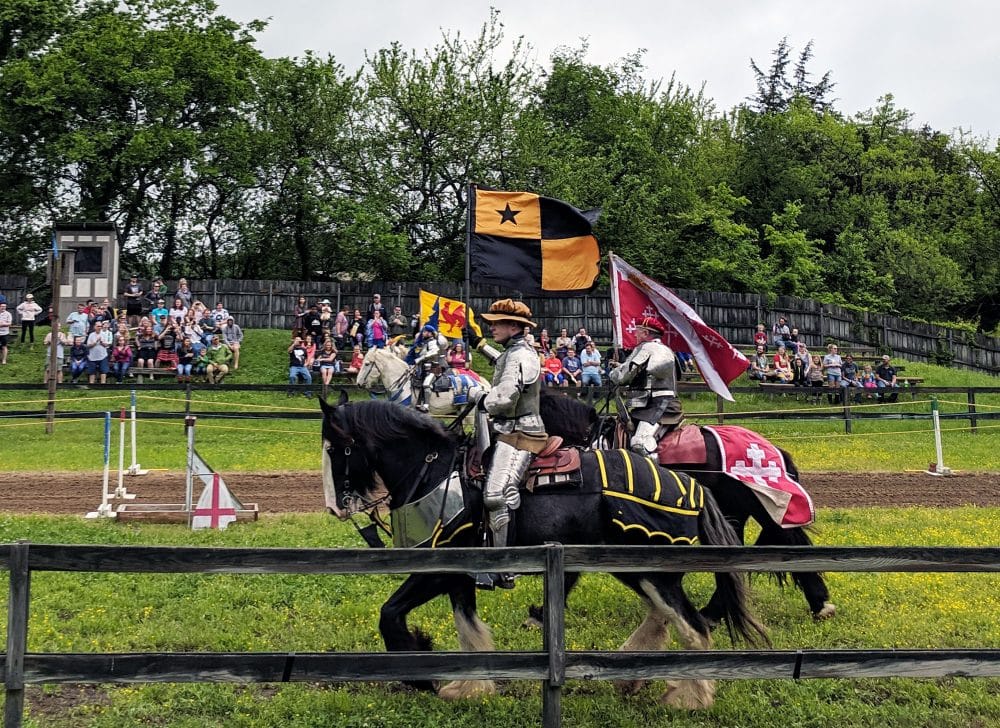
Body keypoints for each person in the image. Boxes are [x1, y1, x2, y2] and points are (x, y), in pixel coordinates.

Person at [476, 298, 547, 589]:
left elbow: (506, 397)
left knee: (496, 495)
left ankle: (503, 566)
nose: (491, 326)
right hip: (506, 429)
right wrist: (480, 346)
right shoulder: (514, 352)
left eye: (497, 322)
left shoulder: (521, 356)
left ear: (515, 326)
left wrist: (477, 397)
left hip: (521, 433)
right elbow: (503, 364)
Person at [608, 316, 682, 455]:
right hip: (652, 404)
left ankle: (654, 475)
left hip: (660, 405)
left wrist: (612, 374)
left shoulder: (648, 347)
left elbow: (625, 375)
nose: (635, 334)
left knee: (639, 444)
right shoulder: (665, 350)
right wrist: (620, 366)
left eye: (638, 331)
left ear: (646, 333)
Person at [408, 324, 447, 410]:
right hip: (423, 368)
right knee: (419, 383)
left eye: (425, 331)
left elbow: (434, 352)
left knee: (426, 384)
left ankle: (426, 405)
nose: (423, 333)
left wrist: (420, 358)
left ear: (430, 333)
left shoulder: (432, 342)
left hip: (433, 369)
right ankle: (418, 403)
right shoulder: (424, 343)